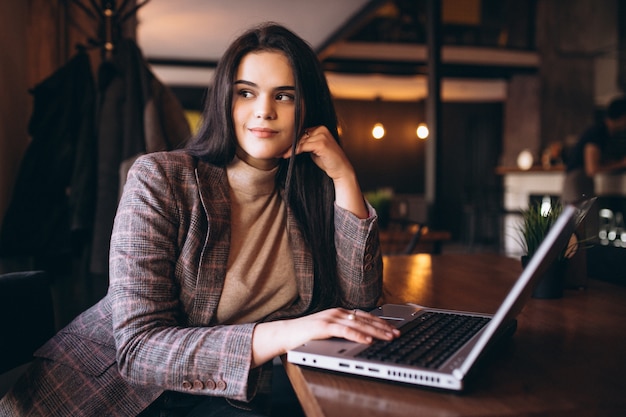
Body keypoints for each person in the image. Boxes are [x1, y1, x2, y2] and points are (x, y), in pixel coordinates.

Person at [0, 23, 399, 417]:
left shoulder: (306, 195)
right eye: (246, 93)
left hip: (224, 393)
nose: (264, 111)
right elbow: (140, 351)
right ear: (225, 101)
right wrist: (286, 333)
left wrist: (345, 177)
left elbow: (359, 303)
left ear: (309, 108)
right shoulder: (161, 178)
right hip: (111, 396)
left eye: (284, 96)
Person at [562, 96, 626, 205]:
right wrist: (621, 164)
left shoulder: (604, 132)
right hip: (577, 183)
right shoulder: (597, 133)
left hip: (581, 182)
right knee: (581, 219)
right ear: (622, 117)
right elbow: (592, 169)